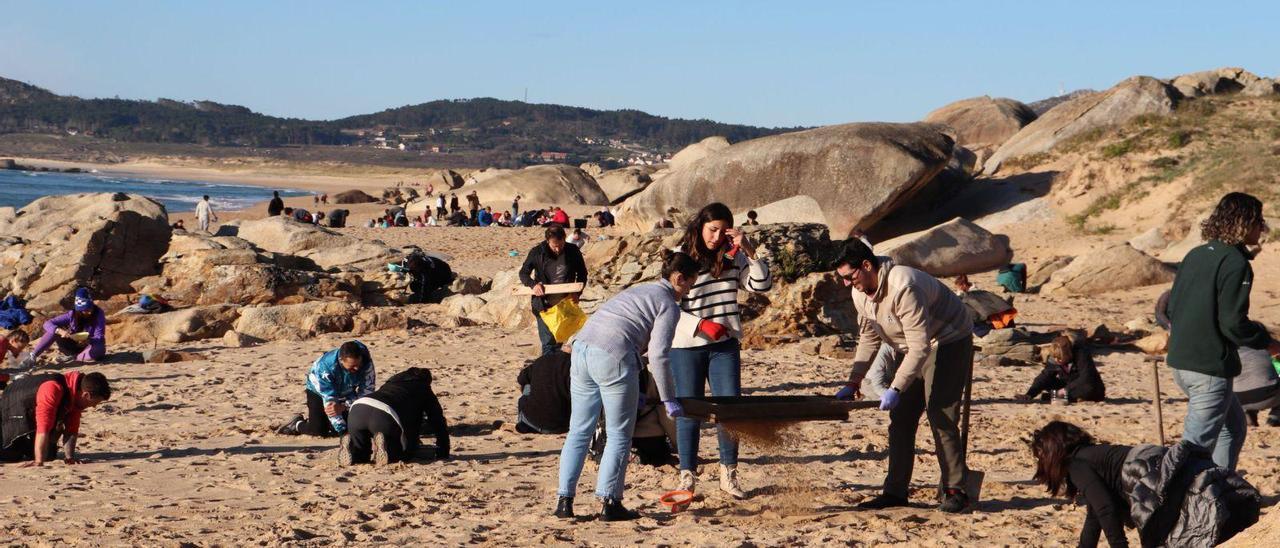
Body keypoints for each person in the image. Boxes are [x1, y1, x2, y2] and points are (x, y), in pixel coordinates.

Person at [554, 251, 697, 522]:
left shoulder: (641, 290)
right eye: (690, 283)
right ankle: (610, 502)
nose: (688, 290)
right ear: (679, 278)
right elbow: (659, 355)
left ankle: (564, 501)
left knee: (579, 431)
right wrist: (668, 399)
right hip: (613, 358)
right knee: (619, 435)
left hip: (581, 350)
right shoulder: (668, 303)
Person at [834, 238, 974, 513]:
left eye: (850, 277)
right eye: (843, 279)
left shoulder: (904, 286)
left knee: (940, 414)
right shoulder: (859, 292)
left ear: (866, 265)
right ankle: (895, 492)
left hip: (947, 339)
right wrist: (854, 380)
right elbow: (869, 335)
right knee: (901, 419)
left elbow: (922, 346)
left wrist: (895, 388)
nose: (847, 284)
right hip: (910, 346)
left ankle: (957, 491)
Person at [1165, 192, 1278, 470]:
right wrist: (1269, 343)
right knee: (1193, 449)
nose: (1261, 228)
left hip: (1181, 364)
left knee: (1232, 430)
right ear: (1243, 223)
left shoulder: (1195, 255)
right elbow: (1233, 323)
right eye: (1258, 221)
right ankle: (1180, 503)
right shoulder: (1235, 263)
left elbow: (1170, 308)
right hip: (1208, 370)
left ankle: (1219, 487)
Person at [668, 203, 772, 498]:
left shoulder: (734, 256)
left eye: (721, 231)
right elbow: (669, 302)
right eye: (711, 229)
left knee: (730, 410)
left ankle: (729, 474)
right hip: (687, 345)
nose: (715, 237)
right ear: (700, 226)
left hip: (724, 345)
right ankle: (687, 476)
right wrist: (700, 325)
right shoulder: (682, 256)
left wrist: (750, 252)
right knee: (689, 410)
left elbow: (761, 286)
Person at [1028, 420, 1260, 548]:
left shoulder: (1076, 464)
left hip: (1149, 476)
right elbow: (1095, 515)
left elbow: (1106, 509)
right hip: (1156, 464)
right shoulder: (1092, 455)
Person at [338, 367, 449, 465]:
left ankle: (352, 451)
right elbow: (437, 420)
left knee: (361, 452)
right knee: (396, 453)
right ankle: (385, 448)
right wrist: (444, 450)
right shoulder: (423, 387)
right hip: (384, 413)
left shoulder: (390, 383)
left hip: (358, 408)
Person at [0, 371, 111, 465]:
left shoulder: (76, 395)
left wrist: (69, 458)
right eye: (95, 402)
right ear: (86, 395)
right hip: (10, 407)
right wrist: (39, 462)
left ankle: (25, 445)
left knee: (49, 455)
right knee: (11, 455)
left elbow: (71, 431)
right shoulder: (53, 389)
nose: (94, 406)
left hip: (30, 413)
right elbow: (43, 427)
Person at [277, 341, 376, 437]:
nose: (357, 369)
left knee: (355, 425)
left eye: (358, 365)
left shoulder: (366, 362)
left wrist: (344, 406)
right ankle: (296, 424)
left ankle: (333, 424)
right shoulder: (324, 367)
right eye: (352, 367)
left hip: (347, 391)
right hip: (318, 391)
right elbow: (331, 406)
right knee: (319, 430)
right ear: (341, 360)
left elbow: (366, 395)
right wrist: (343, 432)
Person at [520, 227, 589, 356]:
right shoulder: (537, 253)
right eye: (554, 246)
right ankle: (549, 371)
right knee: (548, 343)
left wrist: (577, 293)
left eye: (561, 245)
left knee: (559, 340)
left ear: (564, 239)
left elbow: (582, 274)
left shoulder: (572, 251)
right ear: (547, 241)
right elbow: (523, 273)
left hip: (564, 302)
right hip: (544, 304)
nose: (558, 249)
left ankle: (555, 369)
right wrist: (533, 285)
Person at [23, 288, 107, 368]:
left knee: (99, 349)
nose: (89, 312)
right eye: (85, 310)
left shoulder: (98, 313)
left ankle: (76, 358)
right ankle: (33, 356)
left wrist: (89, 340)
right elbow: (47, 324)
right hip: (71, 345)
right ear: (79, 311)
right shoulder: (71, 315)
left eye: (90, 308)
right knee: (53, 331)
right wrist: (59, 331)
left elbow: (99, 335)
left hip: (89, 345)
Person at [1018, 335, 1105, 403]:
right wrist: (1029, 394)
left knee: (1088, 387)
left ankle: (1055, 396)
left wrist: (1066, 390)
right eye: (1055, 357)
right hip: (1068, 385)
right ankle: (1063, 397)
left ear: (1068, 354)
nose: (1057, 360)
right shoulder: (1054, 358)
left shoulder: (1081, 354)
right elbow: (1044, 376)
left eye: (1060, 358)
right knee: (1046, 381)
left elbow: (1087, 377)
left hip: (1088, 386)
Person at [516, 350, 572, 434]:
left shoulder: (543, 359)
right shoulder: (575, 368)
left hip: (532, 420)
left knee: (527, 383)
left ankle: (525, 420)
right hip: (563, 425)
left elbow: (521, 378)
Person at [1235, 347, 1280, 427]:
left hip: (1238, 401)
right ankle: (1275, 417)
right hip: (1267, 397)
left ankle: (1248, 412)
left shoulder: (1228, 351)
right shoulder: (1265, 346)